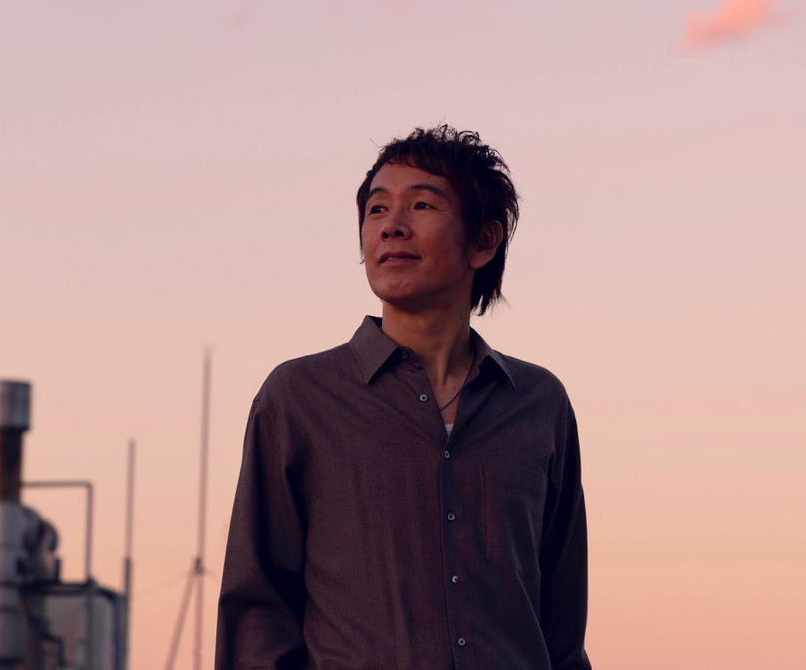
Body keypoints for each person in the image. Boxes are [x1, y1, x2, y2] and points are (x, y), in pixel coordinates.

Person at [216, 125, 590, 670]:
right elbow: (257, 616)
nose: (391, 225)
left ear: (483, 242)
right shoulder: (300, 399)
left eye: (421, 205)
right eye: (376, 210)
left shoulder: (539, 404)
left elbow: (562, 626)